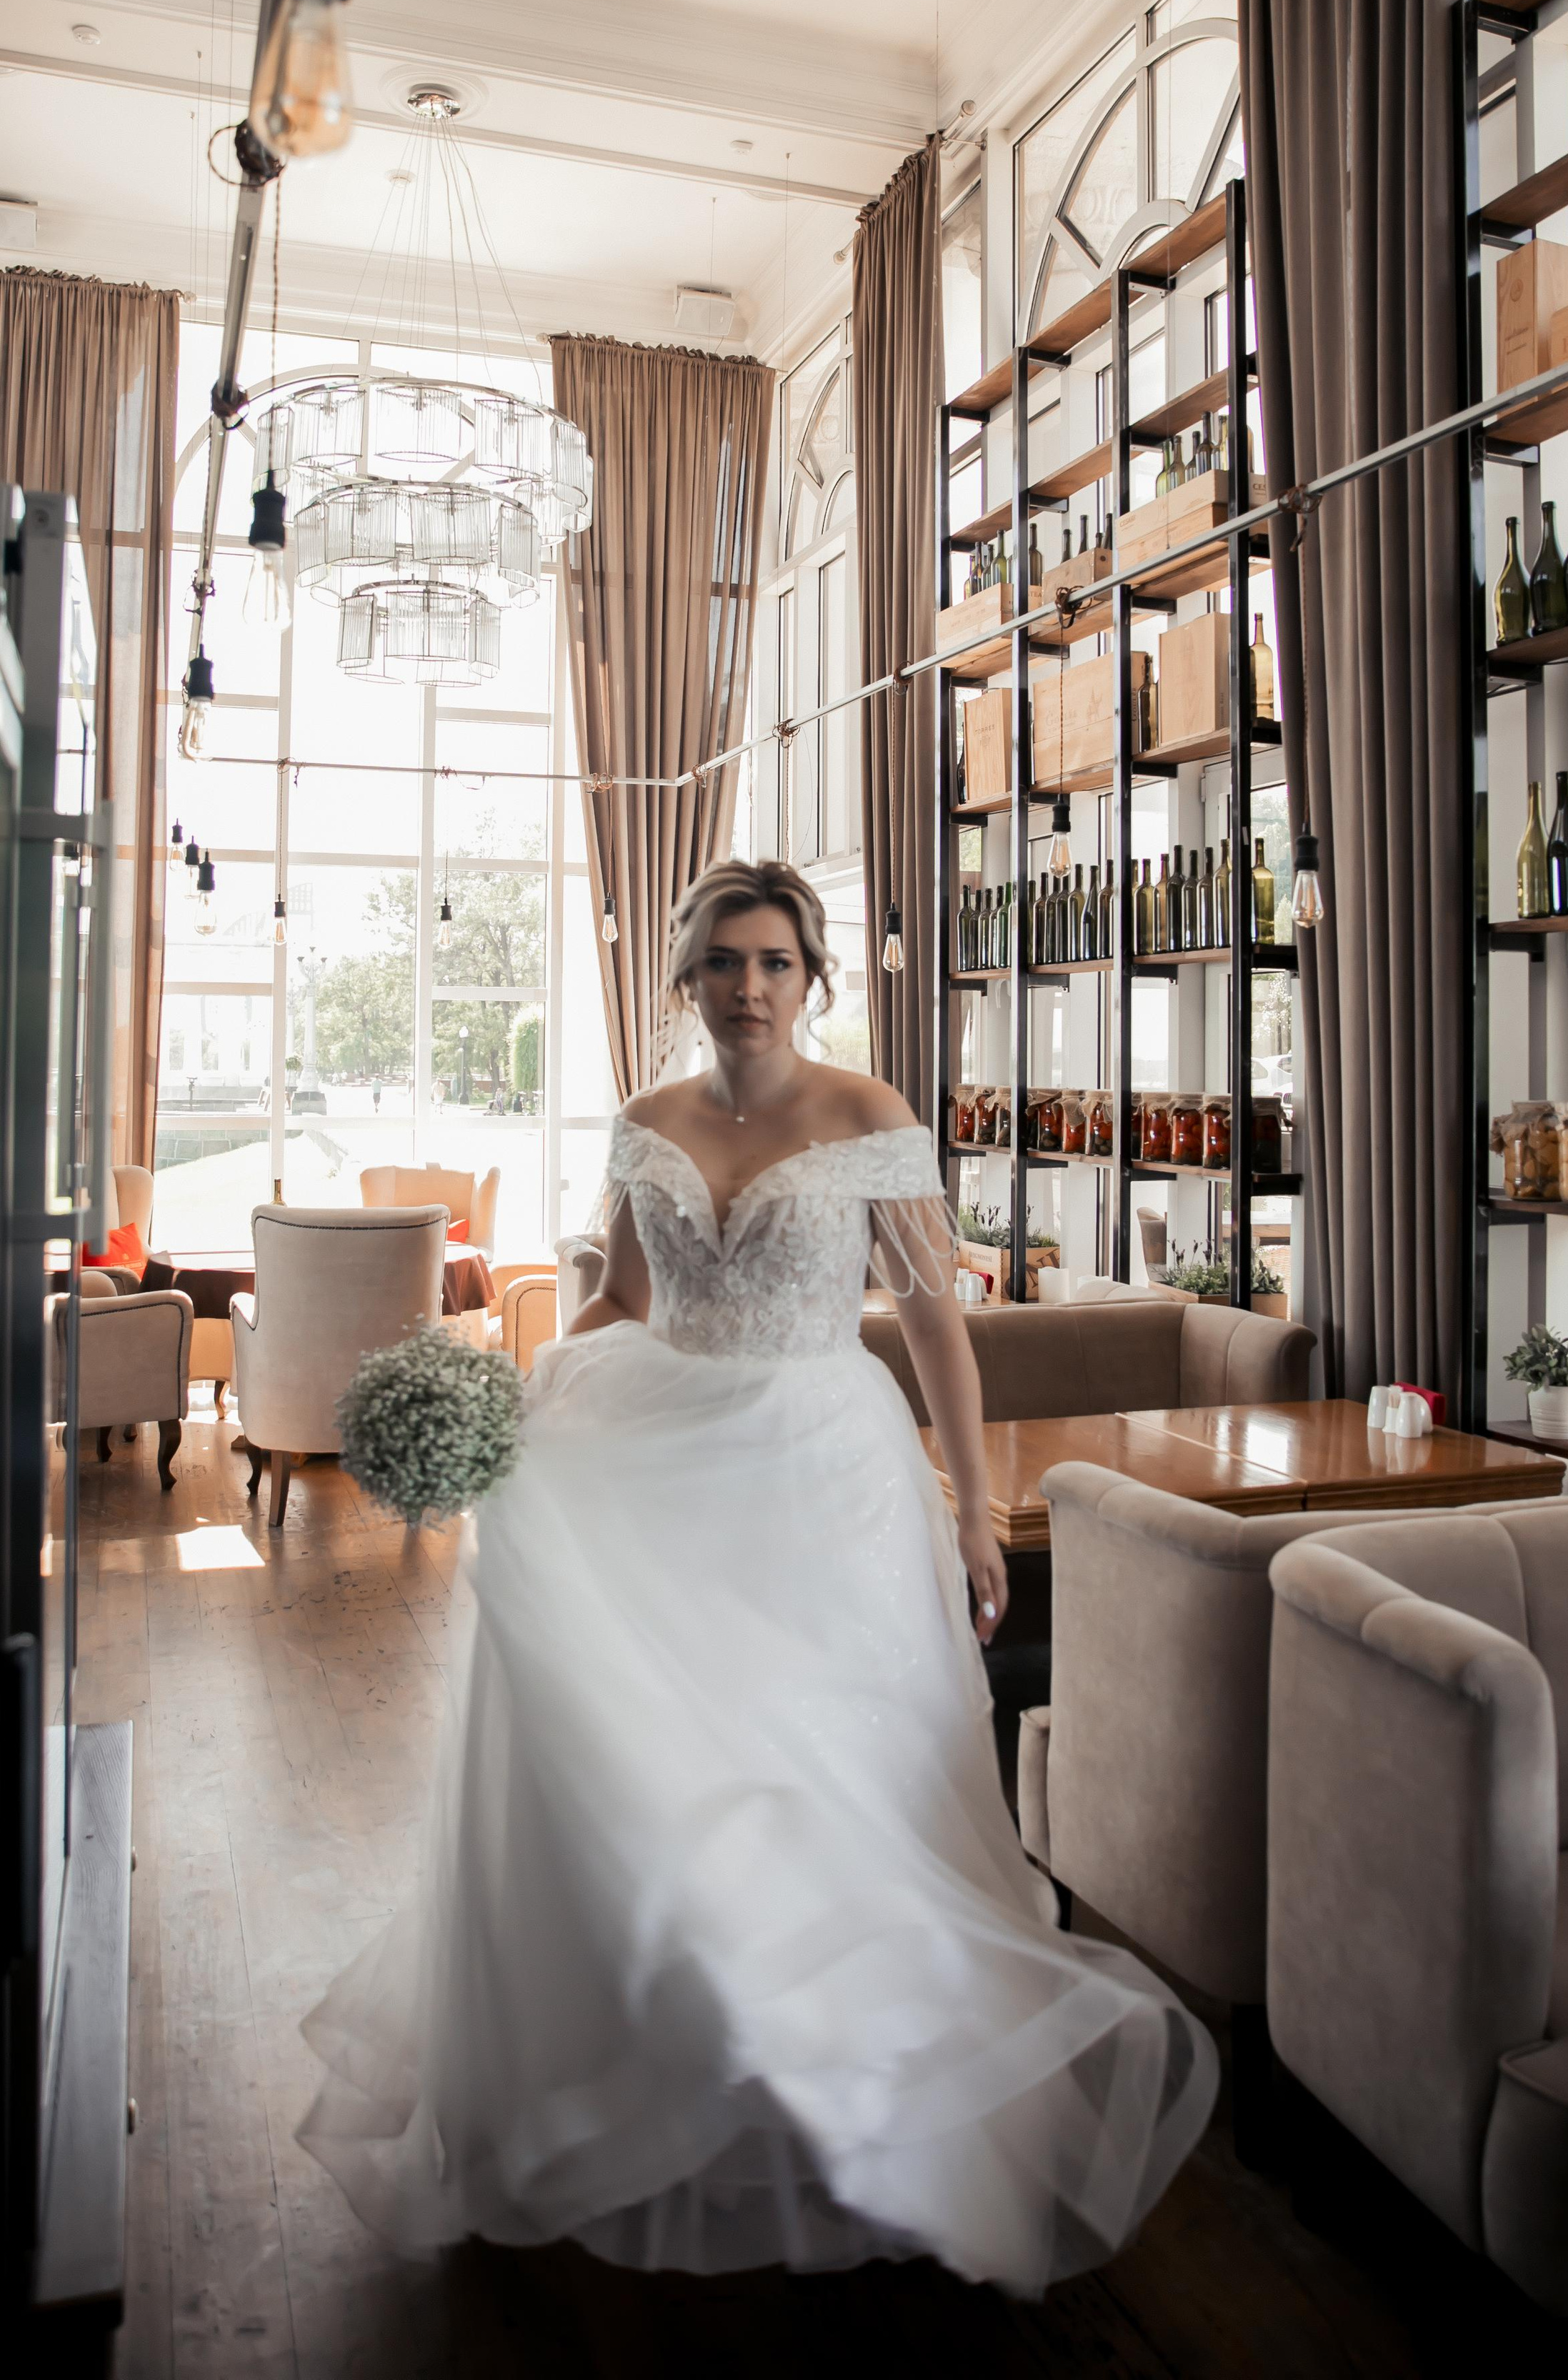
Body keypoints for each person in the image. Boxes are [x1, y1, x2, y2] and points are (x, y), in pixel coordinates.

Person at [298, 858, 1214, 2294]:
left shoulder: (870, 1117)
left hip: (816, 1470)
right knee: (652, 1766)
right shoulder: (645, 1122)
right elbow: (620, 1300)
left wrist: (972, 1509)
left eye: (775, 962)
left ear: (811, 976)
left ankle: (834, 2074)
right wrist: (513, 1398)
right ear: (686, 976)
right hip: (659, 1456)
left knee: (818, 1772)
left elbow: (931, 1321)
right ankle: (663, 2057)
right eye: (725, 960)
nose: (748, 986)